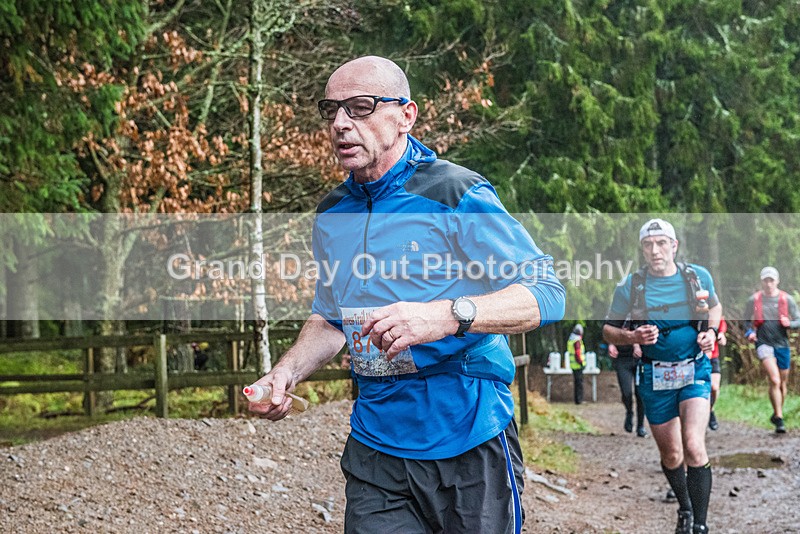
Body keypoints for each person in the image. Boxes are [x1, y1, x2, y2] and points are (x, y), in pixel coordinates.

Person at [247, 56, 566, 534]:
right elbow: (331, 318)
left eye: (360, 107)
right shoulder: (333, 213)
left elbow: (547, 292)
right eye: (330, 110)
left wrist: (446, 315)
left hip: (467, 434)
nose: (340, 123)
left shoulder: (455, 192)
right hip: (377, 444)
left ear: (406, 115)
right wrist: (285, 373)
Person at [603, 218, 721, 534]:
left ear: (673, 246)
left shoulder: (697, 276)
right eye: (648, 244)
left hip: (694, 368)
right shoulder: (631, 285)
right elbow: (608, 330)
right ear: (642, 248)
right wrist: (632, 338)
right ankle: (684, 508)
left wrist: (710, 332)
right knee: (671, 454)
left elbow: (715, 308)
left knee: (694, 445)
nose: (655, 250)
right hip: (655, 377)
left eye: (661, 243)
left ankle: (700, 524)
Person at [743, 267, 800, 434]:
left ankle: (776, 413)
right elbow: (745, 321)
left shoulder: (787, 299)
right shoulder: (753, 300)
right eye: (765, 280)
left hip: (782, 344)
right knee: (774, 380)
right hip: (763, 343)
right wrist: (750, 332)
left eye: (771, 280)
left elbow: (798, 320)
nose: (768, 284)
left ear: (777, 281)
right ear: (761, 281)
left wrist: (790, 324)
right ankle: (780, 418)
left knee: (782, 383)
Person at [608, 339, 647, 437]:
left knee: (640, 394)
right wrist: (611, 343)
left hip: (639, 358)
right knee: (626, 393)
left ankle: (640, 426)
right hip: (622, 358)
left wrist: (637, 343)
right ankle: (629, 412)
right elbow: (609, 329)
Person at [708, 316, 727, 431]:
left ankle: (710, 410)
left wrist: (721, 335)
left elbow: (722, 330)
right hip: (696, 358)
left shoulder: (715, 314)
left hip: (713, 356)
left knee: (714, 387)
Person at [567, 324, 586, 404]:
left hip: (573, 365)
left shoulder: (571, 339)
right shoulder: (577, 341)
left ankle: (577, 400)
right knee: (579, 383)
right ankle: (579, 400)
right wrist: (581, 362)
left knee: (577, 382)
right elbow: (577, 353)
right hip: (578, 365)